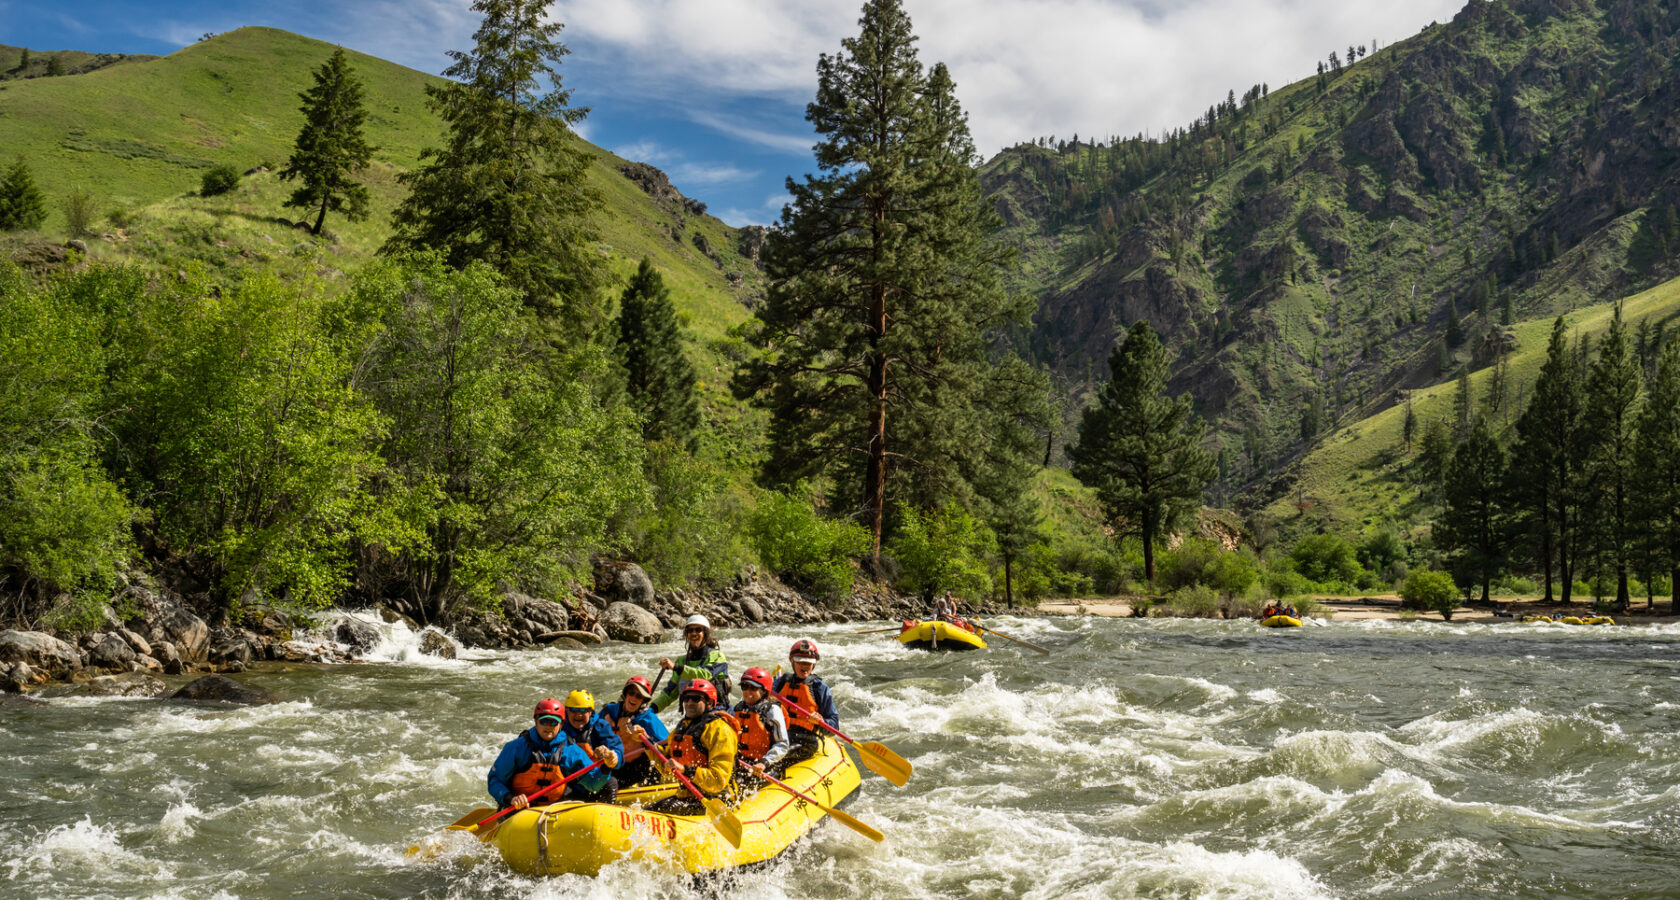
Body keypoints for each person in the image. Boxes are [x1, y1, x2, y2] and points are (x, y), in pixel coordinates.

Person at [638, 679, 737, 810]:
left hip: (717, 799)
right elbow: (665, 768)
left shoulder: (720, 730)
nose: (689, 703)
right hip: (688, 796)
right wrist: (646, 743)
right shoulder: (682, 727)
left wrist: (685, 770)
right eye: (686, 698)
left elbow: (718, 782)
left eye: (696, 699)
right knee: (647, 811)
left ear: (709, 702)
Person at [486, 698, 599, 811]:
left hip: (554, 809)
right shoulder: (516, 747)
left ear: (561, 724)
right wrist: (510, 798)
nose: (548, 726)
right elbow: (495, 780)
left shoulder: (571, 750)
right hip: (518, 808)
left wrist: (606, 768)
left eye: (553, 722)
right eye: (544, 721)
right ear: (536, 721)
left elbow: (594, 784)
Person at [772, 638, 839, 768]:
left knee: (777, 754)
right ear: (792, 661)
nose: (805, 666)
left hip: (805, 741)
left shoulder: (819, 688)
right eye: (800, 662)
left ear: (814, 664)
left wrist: (822, 722)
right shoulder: (781, 682)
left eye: (808, 663)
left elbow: (834, 727)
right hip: (780, 735)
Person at [652, 614, 730, 713]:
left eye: (698, 630)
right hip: (692, 714)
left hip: (717, 712)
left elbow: (705, 675)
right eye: (690, 630)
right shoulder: (681, 661)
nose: (694, 633)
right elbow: (670, 692)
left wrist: (676, 667)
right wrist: (652, 708)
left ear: (705, 633)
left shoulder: (717, 656)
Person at [600, 675, 668, 787]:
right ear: (625, 694)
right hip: (616, 764)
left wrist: (647, 739)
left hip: (641, 768)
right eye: (631, 693)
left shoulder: (648, 719)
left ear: (644, 700)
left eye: (639, 696)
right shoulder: (609, 711)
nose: (634, 698)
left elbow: (668, 745)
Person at [557, 689, 623, 802]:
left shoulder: (600, 726)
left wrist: (614, 756)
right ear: (566, 711)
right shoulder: (558, 728)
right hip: (569, 781)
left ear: (591, 712)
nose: (578, 714)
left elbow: (615, 746)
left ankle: (609, 812)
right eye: (573, 710)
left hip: (596, 778)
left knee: (611, 782)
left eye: (583, 710)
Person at [731, 666, 789, 783]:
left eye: (753, 688)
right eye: (744, 687)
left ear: (764, 690)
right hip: (742, 762)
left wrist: (764, 762)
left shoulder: (772, 710)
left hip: (767, 765)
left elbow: (782, 744)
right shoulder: (738, 708)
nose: (747, 691)